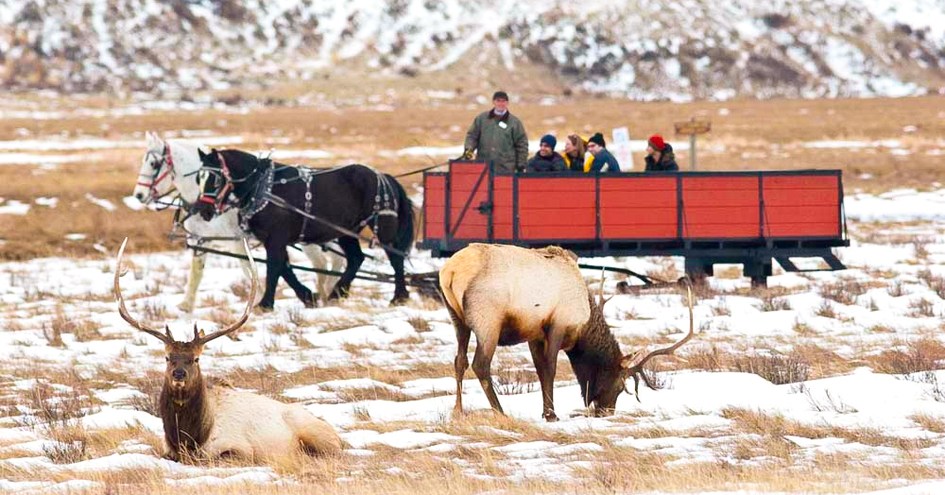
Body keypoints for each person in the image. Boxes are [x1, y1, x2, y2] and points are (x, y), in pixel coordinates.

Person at [462, 90, 529, 172]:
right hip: (484, 167)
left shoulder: (515, 122)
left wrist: (521, 164)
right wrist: (469, 150)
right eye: (498, 101)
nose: (501, 104)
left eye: (503, 101)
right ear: (493, 102)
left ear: (507, 103)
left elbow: (522, 144)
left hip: (506, 168)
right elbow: (472, 136)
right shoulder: (482, 119)